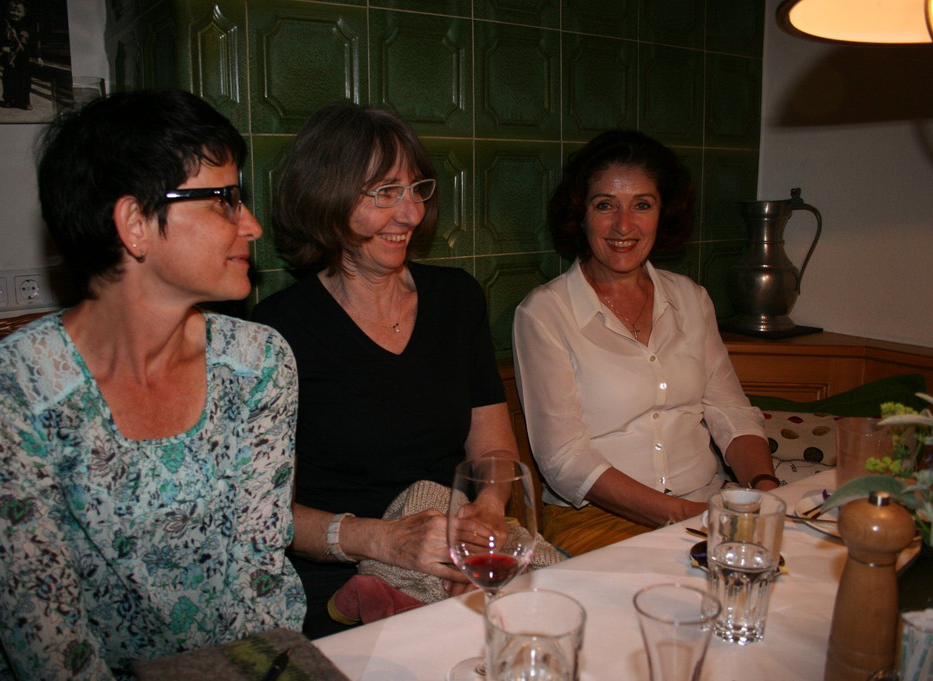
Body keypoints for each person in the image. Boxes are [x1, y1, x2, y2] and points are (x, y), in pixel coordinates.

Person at [0, 89, 305, 679]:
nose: (252, 224)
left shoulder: (258, 364)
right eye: (224, 200)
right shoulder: (7, 395)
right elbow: (51, 647)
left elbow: (259, 576)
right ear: (135, 223)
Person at [251, 101, 518, 638]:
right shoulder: (277, 332)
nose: (411, 214)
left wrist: (488, 509)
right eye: (384, 193)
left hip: (453, 548)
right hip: (342, 575)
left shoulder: (457, 299)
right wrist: (384, 540)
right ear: (326, 199)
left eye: (415, 189)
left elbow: (492, 447)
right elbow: (271, 513)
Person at [511, 129, 778, 557]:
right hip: (598, 521)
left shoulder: (691, 298)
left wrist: (764, 491)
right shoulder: (544, 313)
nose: (623, 225)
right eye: (605, 205)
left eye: (642, 205)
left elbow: (730, 411)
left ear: (662, 212)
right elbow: (564, 460)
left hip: (707, 504)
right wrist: (683, 515)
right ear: (580, 215)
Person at [0, 0, 43, 109]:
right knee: (9, 78)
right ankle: (8, 99)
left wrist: (38, 56)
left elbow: (32, 43)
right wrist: (2, 47)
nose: (15, 14)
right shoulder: (4, 25)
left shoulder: (27, 27)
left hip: (24, 58)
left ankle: (24, 101)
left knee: (25, 79)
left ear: (23, 13)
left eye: (18, 11)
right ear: (8, 11)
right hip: (10, 58)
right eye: (12, 10)